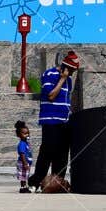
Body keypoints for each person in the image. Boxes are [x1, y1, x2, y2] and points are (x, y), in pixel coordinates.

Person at [30, 51, 80, 191]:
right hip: (50, 119)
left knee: (62, 153)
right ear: (65, 67)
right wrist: (62, 79)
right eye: (71, 70)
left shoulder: (69, 80)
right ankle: (36, 180)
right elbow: (51, 95)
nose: (72, 74)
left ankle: (57, 182)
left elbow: (66, 100)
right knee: (48, 151)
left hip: (63, 120)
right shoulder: (49, 74)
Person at [15, 120, 34, 193]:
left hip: (26, 163)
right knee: (23, 176)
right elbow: (22, 154)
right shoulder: (22, 144)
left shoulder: (26, 143)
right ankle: (23, 187)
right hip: (23, 163)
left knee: (25, 176)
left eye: (28, 133)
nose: (27, 135)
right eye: (24, 134)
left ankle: (25, 187)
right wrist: (25, 163)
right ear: (19, 135)